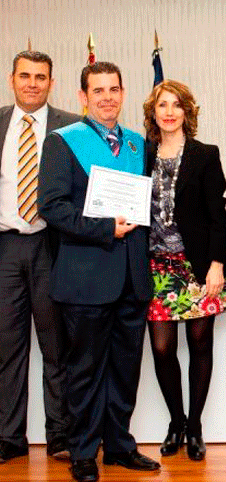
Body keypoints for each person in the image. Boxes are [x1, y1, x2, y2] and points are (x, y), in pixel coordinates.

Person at [38, 62, 159, 482]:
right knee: (85, 370)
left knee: (126, 368)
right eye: (98, 90)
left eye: (114, 89)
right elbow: (52, 207)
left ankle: (120, 446)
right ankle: (84, 452)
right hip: (86, 276)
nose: (107, 97)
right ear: (83, 97)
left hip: (132, 275)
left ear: (123, 94)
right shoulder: (62, 142)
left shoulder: (137, 144)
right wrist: (105, 228)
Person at [143, 80, 226, 462]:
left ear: (187, 112)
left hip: (197, 266)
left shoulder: (205, 154)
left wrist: (218, 265)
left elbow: (218, 215)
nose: (169, 111)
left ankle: (194, 426)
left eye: (176, 105)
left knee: (200, 345)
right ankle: (175, 422)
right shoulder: (139, 154)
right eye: (162, 105)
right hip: (154, 267)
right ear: (153, 113)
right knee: (163, 349)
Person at [0, 50, 79, 463]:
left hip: (53, 247)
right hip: (6, 248)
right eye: (25, 76)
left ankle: (61, 436)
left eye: (41, 77)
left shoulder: (72, 127)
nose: (33, 83)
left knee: (56, 346)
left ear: (52, 82)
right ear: (12, 79)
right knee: (6, 347)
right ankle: (8, 438)